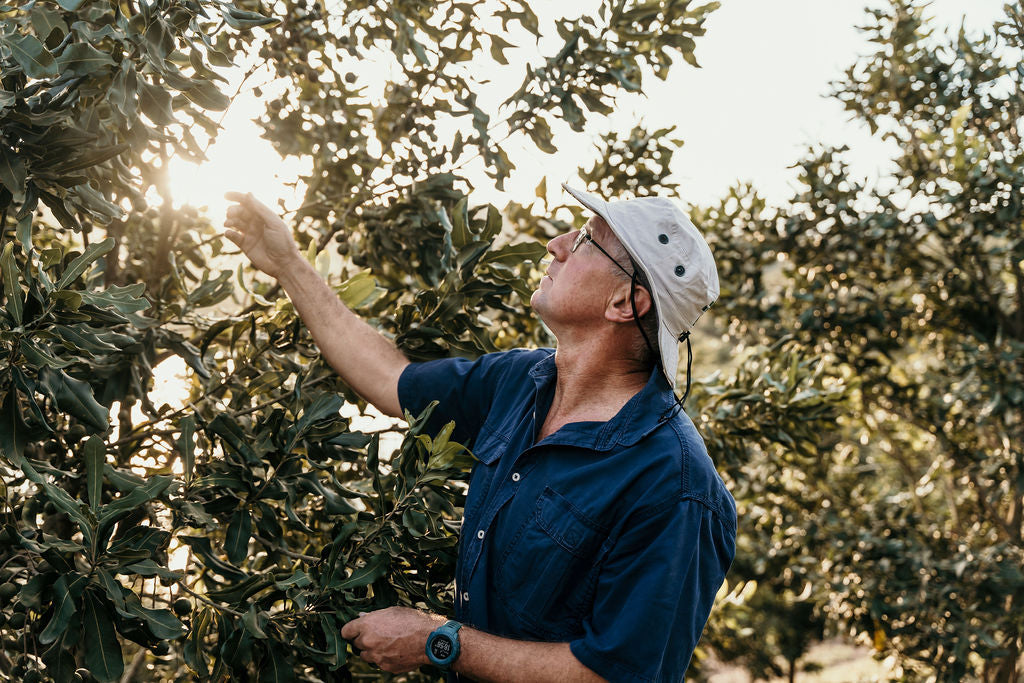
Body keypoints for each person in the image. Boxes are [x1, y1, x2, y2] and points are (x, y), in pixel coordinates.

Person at [224, 183, 736, 682]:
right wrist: (289, 264)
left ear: (625, 302)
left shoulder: (675, 488)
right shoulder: (519, 381)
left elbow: (615, 674)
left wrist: (436, 641)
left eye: (583, 240)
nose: (556, 246)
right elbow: (388, 378)